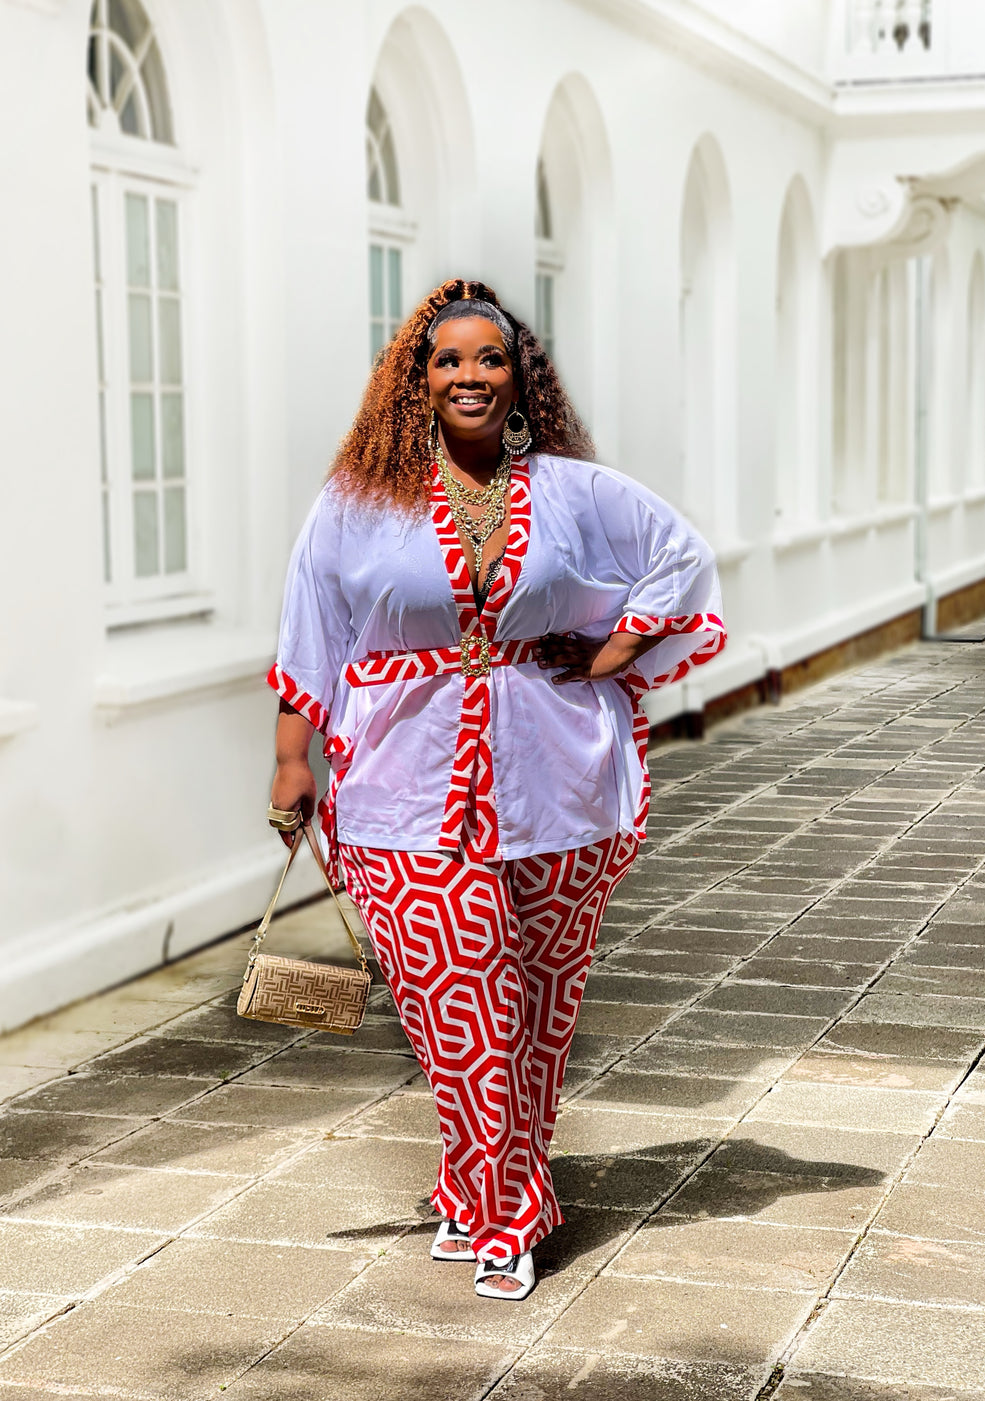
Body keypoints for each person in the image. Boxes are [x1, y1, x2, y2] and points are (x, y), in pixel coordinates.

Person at [267, 277, 725, 1301]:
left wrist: (616, 647)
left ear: (520, 376)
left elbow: (680, 557)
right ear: (414, 381)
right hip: (400, 790)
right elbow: (313, 628)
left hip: (561, 782)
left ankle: (471, 1189)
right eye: (447, 360)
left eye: (490, 358)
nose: (470, 376)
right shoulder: (357, 501)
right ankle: (509, 1216)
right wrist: (294, 759)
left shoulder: (570, 491)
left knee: (537, 1012)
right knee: (458, 1009)